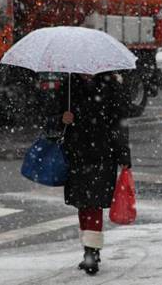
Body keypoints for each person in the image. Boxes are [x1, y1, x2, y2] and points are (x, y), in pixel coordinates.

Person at [49, 72, 131, 275]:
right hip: (76, 154)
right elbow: (50, 118)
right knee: (82, 203)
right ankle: (90, 247)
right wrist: (62, 119)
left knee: (93, 203)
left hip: (103, 154)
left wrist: (123, 155)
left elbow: (119, 123)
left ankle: (91, 252)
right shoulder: (68, 86)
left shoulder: (110, 86)